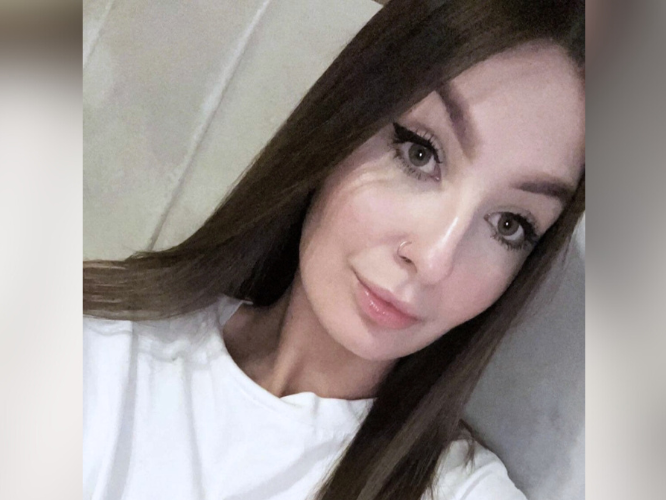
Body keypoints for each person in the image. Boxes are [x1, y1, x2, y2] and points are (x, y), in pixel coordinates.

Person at [83, 0, 585, 498]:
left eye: (510, 225)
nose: (434, 260)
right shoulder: (101, 349)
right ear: (344, 121)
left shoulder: (458, 489)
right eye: (420, 153)